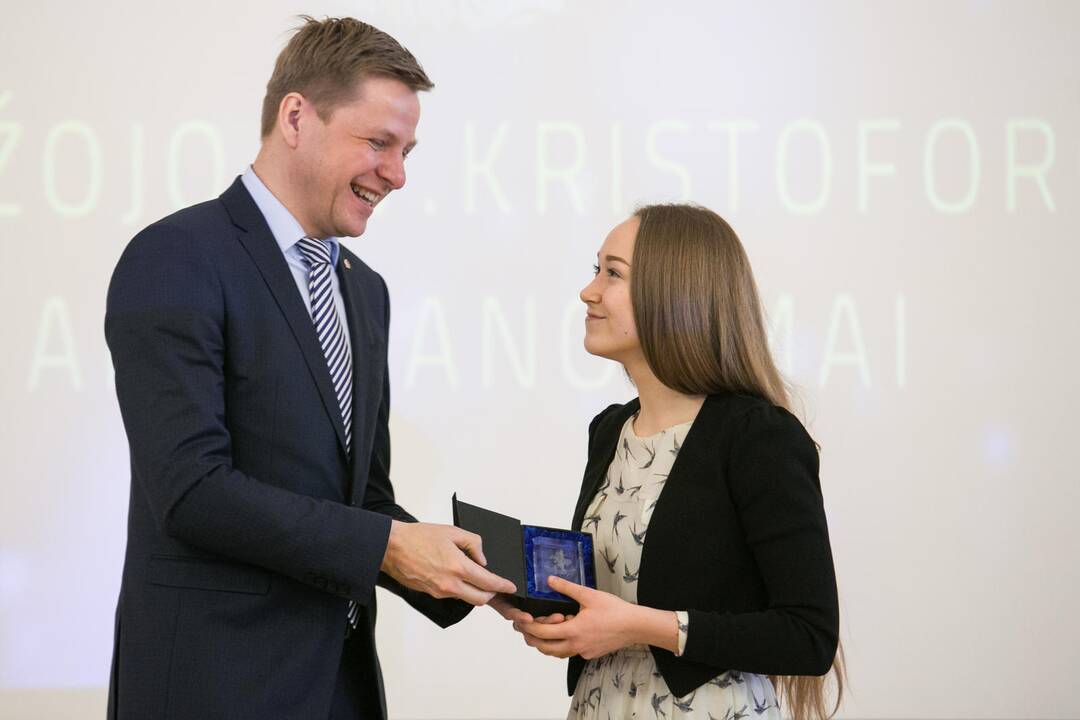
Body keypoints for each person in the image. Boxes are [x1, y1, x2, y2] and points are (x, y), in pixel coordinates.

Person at [104, 16, 514, 720]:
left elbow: (363, 500)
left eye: (407, 150)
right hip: (214, 689)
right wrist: (387, 548)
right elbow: (193, 491)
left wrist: (488, 582)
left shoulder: (365, 289)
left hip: (339, 691)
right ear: (296, 117)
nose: (398, 174)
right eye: (378, 142)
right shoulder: (175, 257)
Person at [504, 204, 845, 720]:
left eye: (612, 273)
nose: (589, 291)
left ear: (674, 293)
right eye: (594, 270)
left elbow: (809, 636)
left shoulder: (758, 437)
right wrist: (554, 611)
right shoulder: (610, 430)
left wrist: (639, 626)